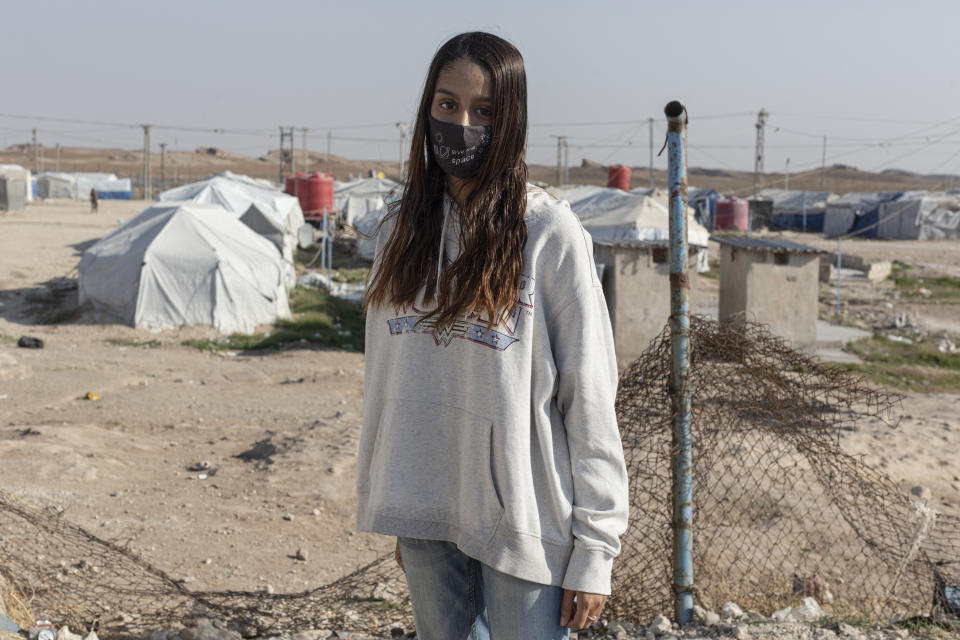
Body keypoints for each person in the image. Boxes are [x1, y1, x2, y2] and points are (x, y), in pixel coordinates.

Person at [357, 32, 628, 640]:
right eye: (447, 105)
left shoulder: (547, 232)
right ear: (426, 108)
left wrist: (597, 549)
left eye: (484, 111)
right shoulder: (399, 232)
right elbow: (384, 377)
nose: (462, 125)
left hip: (527, 520)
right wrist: (400, 498)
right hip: (427, 511)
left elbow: (588, 392)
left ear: (512, 122)